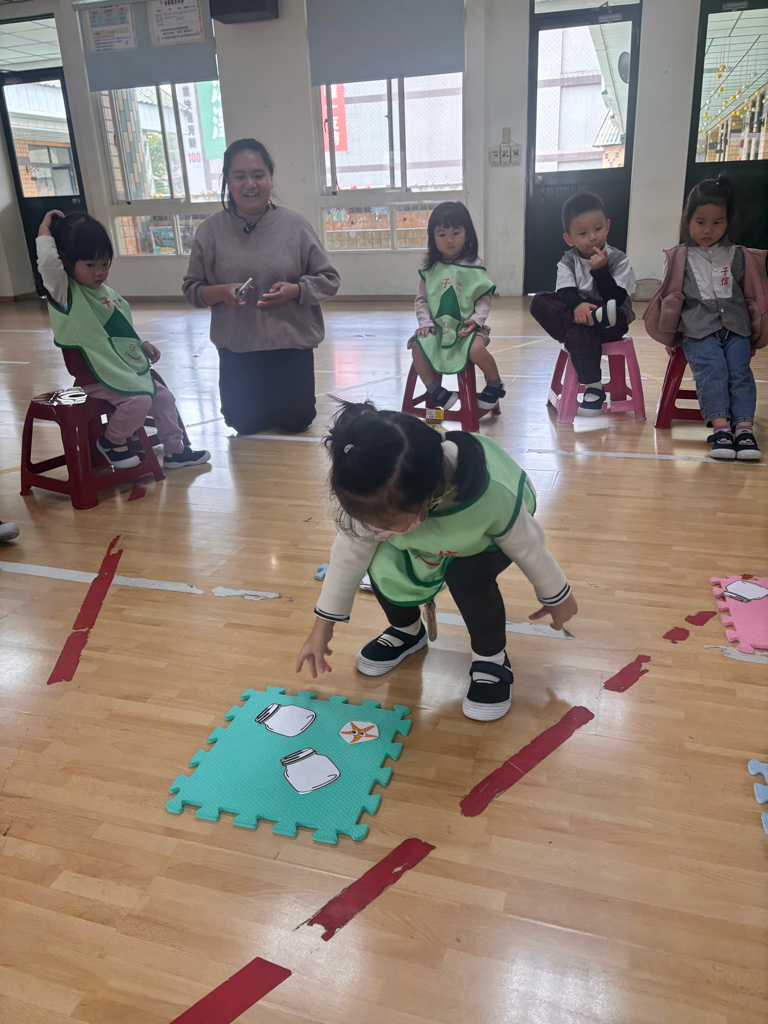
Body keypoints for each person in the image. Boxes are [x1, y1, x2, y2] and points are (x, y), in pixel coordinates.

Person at [295, 402, 577, 722]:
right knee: (378, 558)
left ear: (426, 497)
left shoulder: (490, 496)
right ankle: (407, 631)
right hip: (418, 519)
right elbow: (348, 556)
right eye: (368, 521)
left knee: (467, 574)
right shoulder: (371, 488)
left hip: (482, 537)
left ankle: (491, 659)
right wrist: (322, 628)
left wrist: (557, 594)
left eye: (383, 523)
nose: (373, 529)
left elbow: (527, 545)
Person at [182, 138, 340, 435]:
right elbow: (193, 289)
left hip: (290, 344)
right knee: (243, 423)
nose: (250, 184)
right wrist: (222, 292)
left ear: (271, 177)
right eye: (239, 176)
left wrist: (295, 290)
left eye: (258, 175)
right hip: (238, 347)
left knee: (296, 420)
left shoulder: (295, 225)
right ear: (227, 181)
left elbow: (329, 280)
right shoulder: (210, 231)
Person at [36, 211, 210, 470]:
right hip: (95, 377)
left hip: (123, 372)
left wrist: (141, 344)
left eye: (105, 264)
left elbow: (119, 331)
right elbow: (48, 264)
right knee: (139, 400)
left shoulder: (106, 293)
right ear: (66, 261)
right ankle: (111, 442)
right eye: (90, 265)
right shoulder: (64, 292)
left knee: (163, 397)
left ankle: (176, 451)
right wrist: (44, 230)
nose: (100, 272)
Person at [644, 176, 767, 460]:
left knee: (740, 372)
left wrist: (754, 332)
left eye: (717, 222)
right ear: (687, 220)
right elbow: (671, 297)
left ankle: (744, 429)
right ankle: (721, 429)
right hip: (697, 329)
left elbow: (750, 296)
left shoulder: (739, 256)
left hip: (736, 327)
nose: (708, 229)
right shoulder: (679, 257)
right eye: (700, 222)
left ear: (728, 221)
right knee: (712, 369)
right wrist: (671, 336)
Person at [530, 192, 636, 416]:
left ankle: (593, 387)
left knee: (578, 333)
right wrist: (578, 307)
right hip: (578, 316)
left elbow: (617, 298)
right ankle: (595, 386)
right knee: (539, 300)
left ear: (607, 226)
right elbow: (565, 291)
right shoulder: (567, 261)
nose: (593, 237)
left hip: (612, 320)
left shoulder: (618, 259)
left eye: (598, 229)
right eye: (583, 233)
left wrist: (601, 271)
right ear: (569, 238)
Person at [409, 201, 504, 411]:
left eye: (456, 233)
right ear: (433, 237)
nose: (449, 239)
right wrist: (425, 323)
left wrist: (477, 320)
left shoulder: (474, 265)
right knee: (417, 346)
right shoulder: (430, 268)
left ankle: (495, 383)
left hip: (468, 329)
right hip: (438, 328)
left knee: (476, 350)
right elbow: (422, 299)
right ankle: (435, 390)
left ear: (467, 234)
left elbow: (484, 296)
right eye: (442, 234)